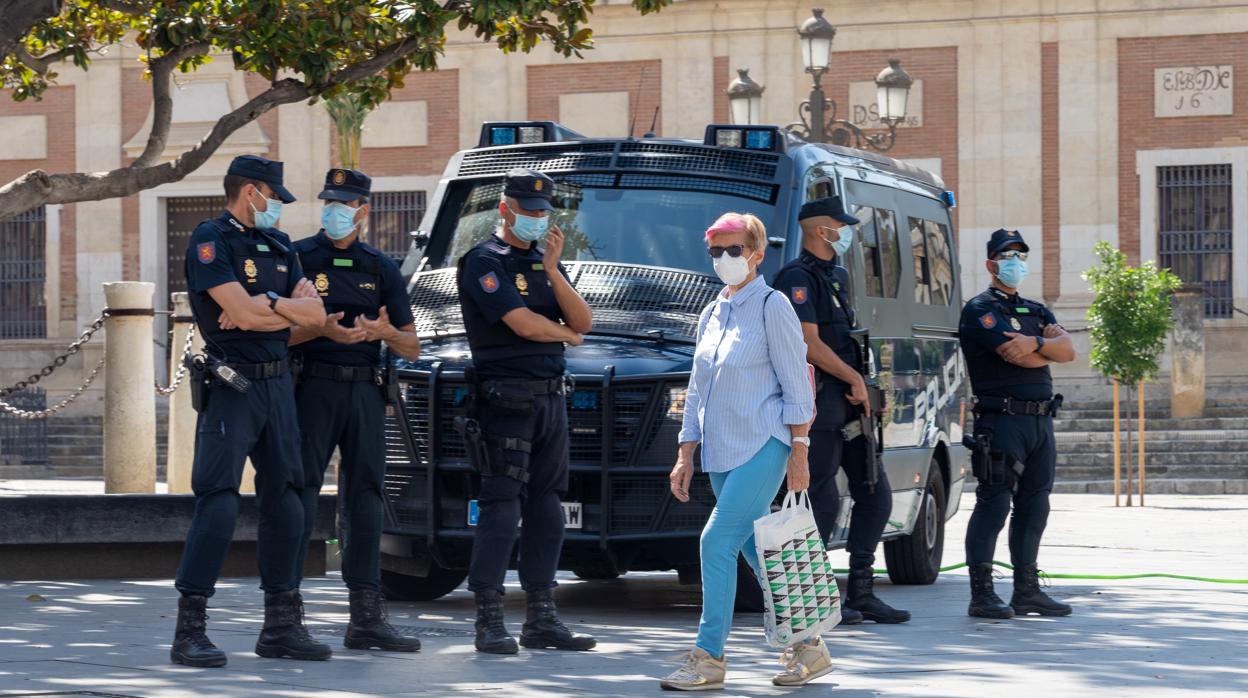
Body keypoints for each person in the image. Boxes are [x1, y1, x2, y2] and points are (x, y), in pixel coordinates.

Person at [172, 155, 330, 667]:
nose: (277, 210)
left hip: (279, 385)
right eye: (273, 199)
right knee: (218, 500)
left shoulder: (282, 246)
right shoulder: (210, 239)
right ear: (252, 192)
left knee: (288, 500)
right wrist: (279, 307)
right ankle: (190, 627)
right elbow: (236, 315)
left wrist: (268, 306)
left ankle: (281, 626)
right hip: (232, 385)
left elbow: (316, 318)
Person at [663, 212, 821, 691]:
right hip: (719, 451)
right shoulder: (712, 311)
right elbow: (697, 389)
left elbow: (798, 384)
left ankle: (709, 658)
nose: (725, 259)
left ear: (756, 253)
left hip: (764, 443)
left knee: (716, 542)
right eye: (716, 251)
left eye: (734, 250)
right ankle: (809, 648)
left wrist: (800, 451)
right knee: (756, 551)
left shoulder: (773, 305)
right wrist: (685, 451)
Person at [457, 168, 596, 655]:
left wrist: (555, 271)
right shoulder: (482, 261)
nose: (538, 219)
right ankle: (489, 619)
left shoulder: (545, 262)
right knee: (501, 507)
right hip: (505, 398)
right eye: (530, 211)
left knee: (547, 507)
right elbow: (523, 324)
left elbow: (584, 320)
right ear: (505, 209)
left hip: (550, 397)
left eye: (544, 212)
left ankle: (541, 617)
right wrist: (566, 335)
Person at [289, 169, 424, 651]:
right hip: (313, 390)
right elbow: (276, 333)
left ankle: (366, 615)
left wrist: (383, 333)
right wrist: (320, 330)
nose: (335, 209)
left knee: (366, 499)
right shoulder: (299, 258)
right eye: (329, 200)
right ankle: (286, 613)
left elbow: (412, 347)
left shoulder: (380, 267)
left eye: (344, 203)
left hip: (366, 392)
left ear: (363, 211)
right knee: (297, 494)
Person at [773, 197, 910, 625]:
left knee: (875, 492)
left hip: (849, 404)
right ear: (819, 229)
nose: (846, 232)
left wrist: (863, 383)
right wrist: (851, 378)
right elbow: (807, 344)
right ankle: (812, 596)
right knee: (822, 501)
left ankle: (862, 592)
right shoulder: (795, 277)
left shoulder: (837, 276)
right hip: (818, 405)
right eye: (840, 225)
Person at [959, 228, 1076, 619]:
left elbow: (1069, 351)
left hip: (1041, 423)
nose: (1016, 263)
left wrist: (1036, 345)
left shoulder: (1037, 310)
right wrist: (1043, 349)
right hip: (1002, 421)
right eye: (1008, 256)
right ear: (991, 263)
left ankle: (1026, 591)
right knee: (994, 504)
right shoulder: (979, 310)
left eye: (1021, 255)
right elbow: (1015, 356)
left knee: (1035, 505)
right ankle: (982, 593)